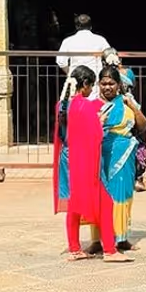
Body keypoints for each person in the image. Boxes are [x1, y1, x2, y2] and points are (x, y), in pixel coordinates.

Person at [53, 66, 131, 263]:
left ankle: (74, 248)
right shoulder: (85, 107)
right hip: (83, 161)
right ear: (85, 84)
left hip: (66, 158)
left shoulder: (62, 105)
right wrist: (100, 121)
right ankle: (110, 251)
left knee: (73, 203)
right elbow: (94, 136)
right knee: (106, 202)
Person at [98, 64, 146, 252]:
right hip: (100, 157)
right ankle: (99, 239)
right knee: (102, 197)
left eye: (111, 83)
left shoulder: (127, 104)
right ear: (98, 84)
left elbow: (142, 126)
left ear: (118, 85)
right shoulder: (95, 105)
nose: (107, 87)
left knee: (123, 195)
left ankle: (121, 237)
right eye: (104, 83)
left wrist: (133, 107)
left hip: (124, 156)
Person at [54, 14, 111, 93]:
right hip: (95, 80)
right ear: (91, 26)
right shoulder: (100, 40)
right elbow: (110, 56)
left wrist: (70, 72)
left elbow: (60, 61)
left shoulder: (68, 41)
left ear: (76, 27)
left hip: (76, 79)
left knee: (76, 102)